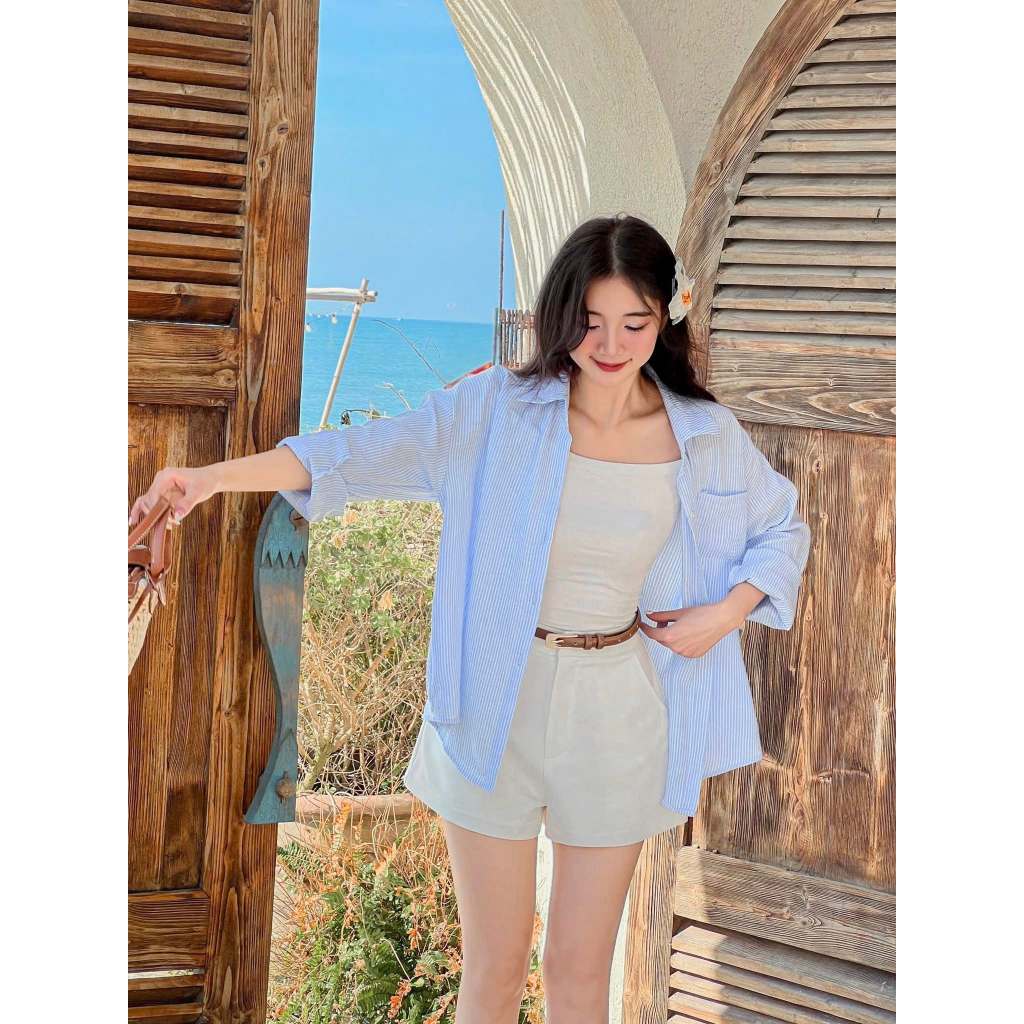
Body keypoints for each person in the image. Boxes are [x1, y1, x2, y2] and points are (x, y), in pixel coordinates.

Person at [129, 213, 811, 1024]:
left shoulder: (702, 433)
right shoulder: (496, 410)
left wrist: (724, 615)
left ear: (667, 317)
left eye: (634, 323)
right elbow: (362, 453)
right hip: (493, 708)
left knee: (579, 973)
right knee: (492, 969)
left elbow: (782, 528)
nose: (609, 344)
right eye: (590, 320)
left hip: (619, 713)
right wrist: (206, 479)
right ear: (561, 314)